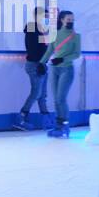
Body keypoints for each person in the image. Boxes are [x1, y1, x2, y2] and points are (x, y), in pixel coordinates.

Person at [41, 9, 81, 138]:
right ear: (62, 20)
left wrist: (63, 59)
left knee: (60, 98)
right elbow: (49, 51)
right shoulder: (55, 34)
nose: (71, 21)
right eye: (68, 19)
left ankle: (65, 125)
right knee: (56, 100)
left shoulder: (76, 36)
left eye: (72, 19)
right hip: (54, 69)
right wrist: (42, 63)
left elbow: (77, 54)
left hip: (67, 69)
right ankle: (58, 126)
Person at [14, 7, 51, 130]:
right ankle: (22, 118)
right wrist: (40, 62)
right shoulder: (31, 28)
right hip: (35, 64)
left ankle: (46, 121)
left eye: (47, 16)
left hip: (42, 64)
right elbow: (33, 47)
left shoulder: (43, 30)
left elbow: (46, 47)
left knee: (42, 94)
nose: (46, 19)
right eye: (44, 16)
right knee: (36, 93)